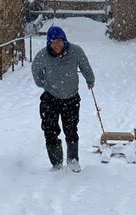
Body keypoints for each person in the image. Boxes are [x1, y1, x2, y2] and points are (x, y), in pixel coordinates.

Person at [31, 26, 95, 172]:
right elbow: (35, 70)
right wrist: (43, 83)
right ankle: (57, 163)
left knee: (71, 129)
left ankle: (73, 160)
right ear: (49, 43)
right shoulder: (43, 55)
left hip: (71, 98)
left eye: (59, 41)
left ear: (64, 40)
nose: (57, 44)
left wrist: (90, 79)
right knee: (50, 130)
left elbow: (85, 65)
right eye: (53, 42)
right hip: (50, 98)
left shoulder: (75, 51)